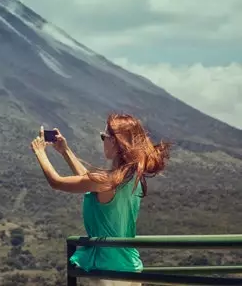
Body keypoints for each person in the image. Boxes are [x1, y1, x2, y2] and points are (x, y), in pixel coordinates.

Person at [29, 113, 171, 286]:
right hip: (131, 268)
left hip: (108, 270)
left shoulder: (106, 181)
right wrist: (65, 151)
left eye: (104, 137)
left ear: (116, 142)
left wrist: (39, 152)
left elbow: (57, 182)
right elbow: (87, 180)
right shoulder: (133, 179)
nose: (102, 140)